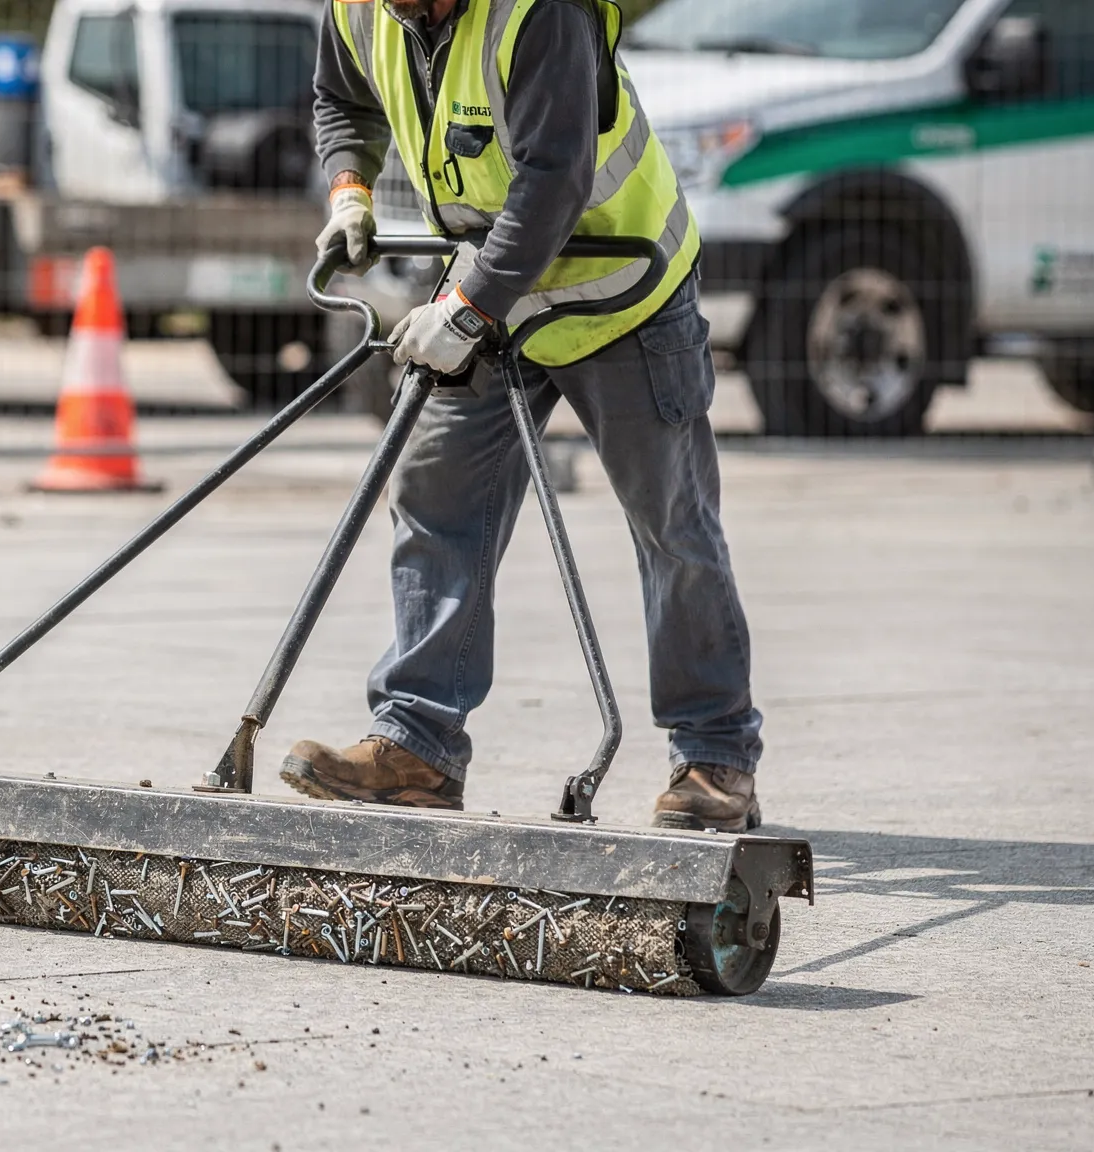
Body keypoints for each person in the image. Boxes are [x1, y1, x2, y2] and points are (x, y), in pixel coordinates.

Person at [282, 0, 765, 831]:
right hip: (497, 284)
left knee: (670, 524)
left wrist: (465, 309)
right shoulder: (359, 8)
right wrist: (351, 190)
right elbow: (342, 100)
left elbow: (555, 178)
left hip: (621, 292)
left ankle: (714, 756)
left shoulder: (542, 14)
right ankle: (417, 747)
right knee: (438, 496)